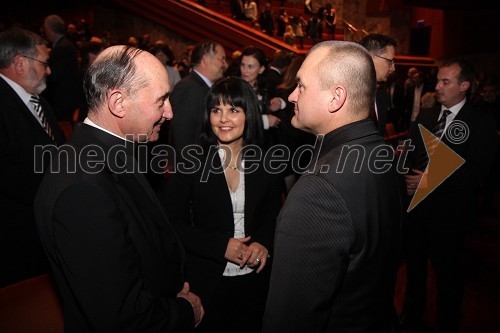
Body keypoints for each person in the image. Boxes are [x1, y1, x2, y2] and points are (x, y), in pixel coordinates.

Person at [34, 45, 204, 332]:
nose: (170, 112)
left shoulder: (108, 151)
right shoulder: (83, 191)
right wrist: (185, 311)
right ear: (118, 102)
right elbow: (121, 316)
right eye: (161, 100)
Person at [263, 41, 402, 333]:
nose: (291, 95)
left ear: (336, 97)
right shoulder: (381, 153)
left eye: (301, 86)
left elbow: (290, 319)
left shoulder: (319, 191)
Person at [163, 77, 283, 333]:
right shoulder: (192, 160)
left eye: (233, 110)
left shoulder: (266, 160)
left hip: (255, 280)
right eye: (216, 110)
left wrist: (263, 242)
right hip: (207, 281)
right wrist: (220, 246)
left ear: (248, 113)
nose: (223, 119)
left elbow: (272, 212)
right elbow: (170, 223)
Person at [401, 58, 497, 332]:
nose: (438, 86)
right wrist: (404, 179)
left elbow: (479, 171)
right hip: (416, 211)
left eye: (446, 81)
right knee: (415, 271)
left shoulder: (481, 121)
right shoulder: (427, 115)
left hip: (451, 215)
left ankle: (447, 322)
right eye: (438, 80)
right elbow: (410, 154)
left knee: (449, 277)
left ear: (464, 86)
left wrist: (430, 180)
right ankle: (412, 315)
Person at [0, 27, 65, 288]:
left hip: (41, 222)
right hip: (15, 233)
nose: (48, 70)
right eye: (44, 63)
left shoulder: (37, 100)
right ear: (19, 63)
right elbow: (7, 175)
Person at [169, 39, 227, 153]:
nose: (225, 64)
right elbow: (182, 137)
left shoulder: (202, 86)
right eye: (222, 59)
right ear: (205, 60)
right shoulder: (189, 88)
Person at [41, 14, 81, 128]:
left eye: (45, 28)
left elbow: (54, 76)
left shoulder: (61, 47)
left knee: (63, 129)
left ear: (50, 29)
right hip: (66, 97)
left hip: (62, 99)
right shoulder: (64, 44)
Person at [359, 33, 398, 137]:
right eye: (390, 61)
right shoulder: (344, 96)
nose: (393, 68)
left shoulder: (382, 97)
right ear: (370, 58)